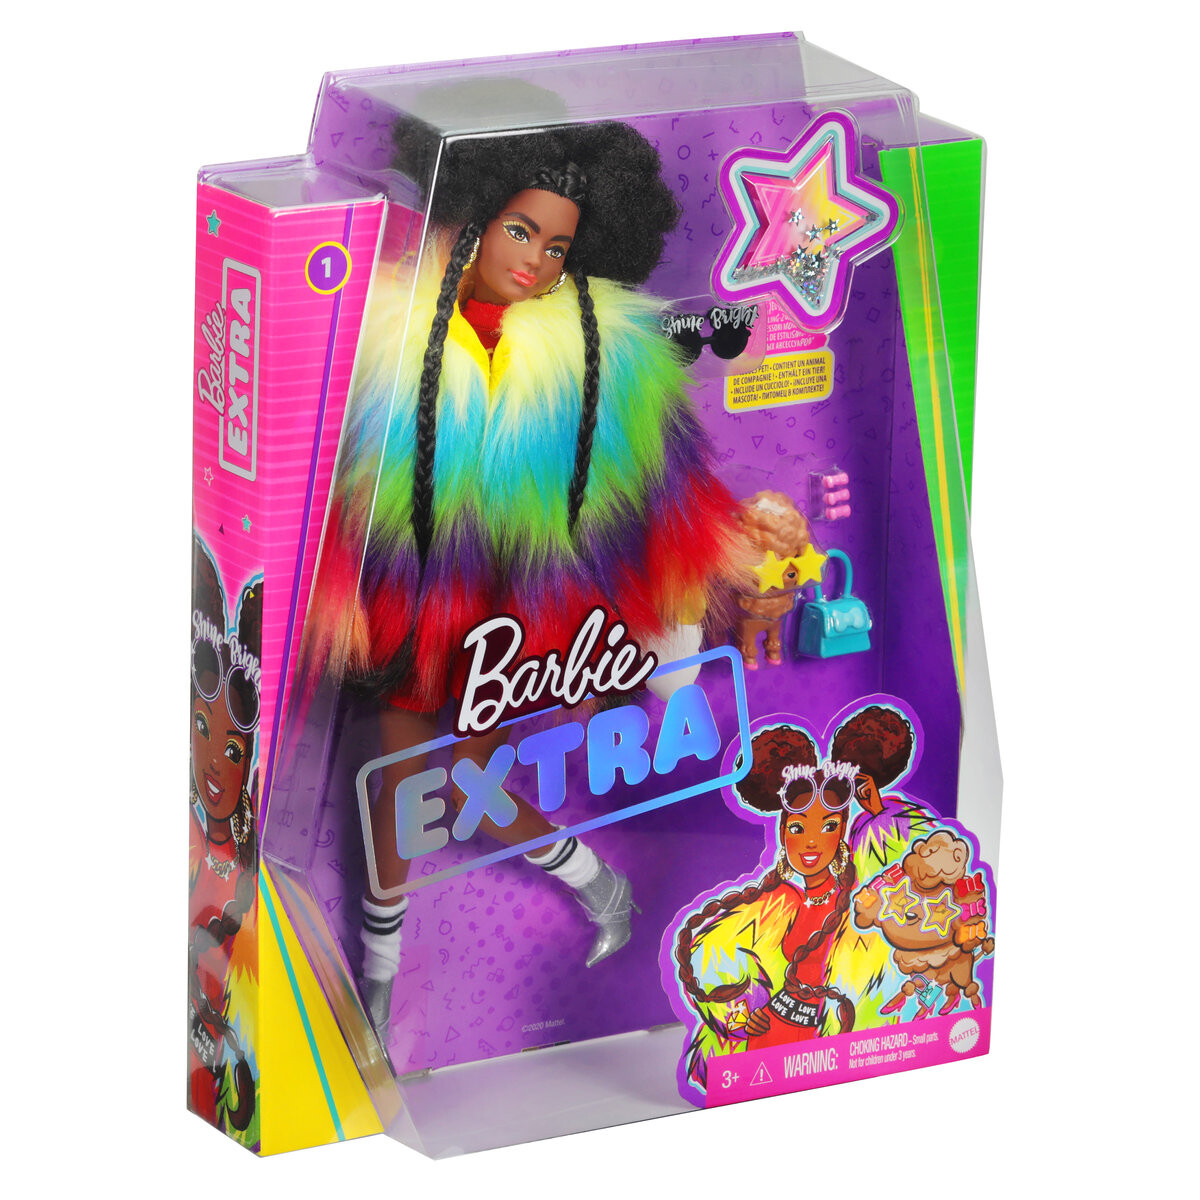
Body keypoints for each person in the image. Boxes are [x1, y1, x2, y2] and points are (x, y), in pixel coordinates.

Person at [306, 107, 745, 1039]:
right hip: (407, 600)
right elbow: (327, 479)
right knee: (396, 784)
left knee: (461, 781)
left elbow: (672, 492)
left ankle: (594, 883)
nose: (536, 260)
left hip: (514, 613)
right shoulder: (385, 334)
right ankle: (383, 977)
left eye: (557, 247)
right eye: (520, 230)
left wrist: (666, 622)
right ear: (473, 217)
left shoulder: (601, 355)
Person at [189, 537, 259, 1138]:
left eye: (233, 751)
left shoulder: (245, 879)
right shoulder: (195, 842)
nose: (213, 762)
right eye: (200, 727)